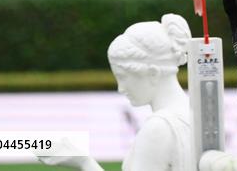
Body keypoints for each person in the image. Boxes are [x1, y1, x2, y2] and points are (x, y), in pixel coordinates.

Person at [38, 14, 195, 171]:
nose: (121, 88)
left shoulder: (158, 128)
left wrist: (84, 163)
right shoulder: (194, 113)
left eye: (123, 77)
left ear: (153, 73)